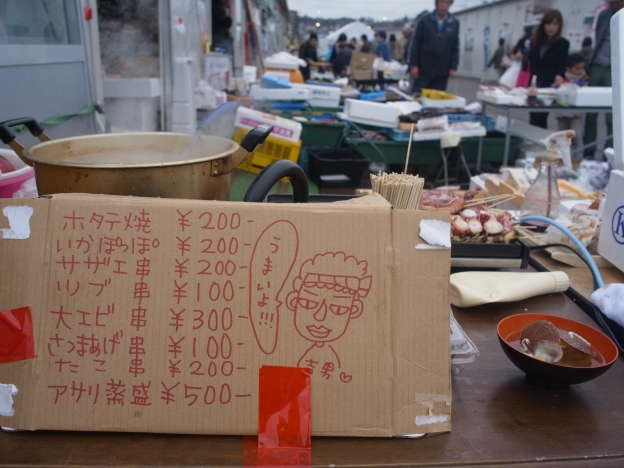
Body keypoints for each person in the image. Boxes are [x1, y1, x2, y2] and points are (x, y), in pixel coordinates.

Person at [583, 0, 623, 158]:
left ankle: (611, 154)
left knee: (613, 116)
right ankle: (588, 153)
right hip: (597, 65)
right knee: (590, 114)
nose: (612, 4)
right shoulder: (605, 14)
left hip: (616, 68)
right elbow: (597, 38)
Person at [521, 9, 569, 129]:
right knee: (533, 115)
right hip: (533, 82)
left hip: (549, 84)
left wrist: (559, 75)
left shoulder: (563, 44)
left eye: (554, 24)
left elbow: (562, 64)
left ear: (559, 25)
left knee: (542, 116)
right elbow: (527, 57)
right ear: (543, 24)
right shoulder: (535, 41)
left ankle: (539, 138)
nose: (551, 27)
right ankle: (533, 138)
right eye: (548, 24)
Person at [406, 0, 459, 93]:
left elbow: (455, 47)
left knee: (437, 99)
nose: (444, 6)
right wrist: (413, 64)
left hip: (442, 72)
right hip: (423, 71)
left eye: (447, 3)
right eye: (442, 2)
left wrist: (453, 67)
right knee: (417, 97)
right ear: (436, 3)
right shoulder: (425, 21)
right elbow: (415, 43)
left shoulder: (454, 23)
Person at [556, 53, 589, 153]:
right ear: (568, 69)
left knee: (576, 136)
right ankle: (563, 156)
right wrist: (557, 84)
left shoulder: (585, 79)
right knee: (562, 136)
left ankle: (577, 157)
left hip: (576, 113)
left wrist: (580, 110)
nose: (580, 71)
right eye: (577, 68)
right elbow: (557, 93)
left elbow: (585, 95)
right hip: (562, 112)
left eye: (582, 68)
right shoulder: (562, 77)